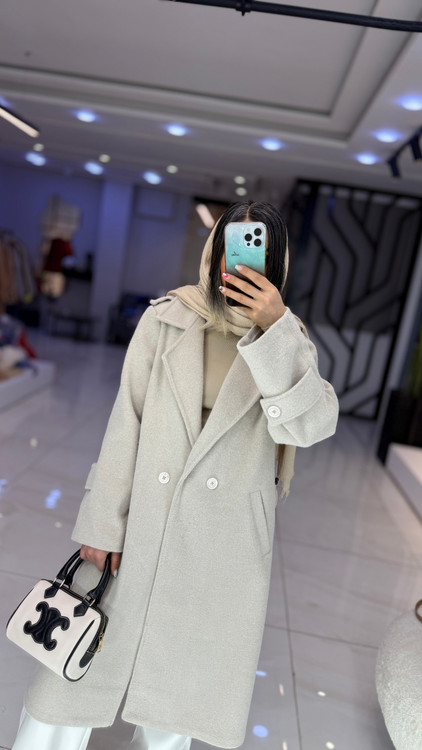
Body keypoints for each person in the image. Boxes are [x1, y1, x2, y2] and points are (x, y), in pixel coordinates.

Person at [11, 201, 339, 750]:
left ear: (276, 261)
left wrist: (274, 328)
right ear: (214, 252)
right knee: (73, 676)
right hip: (143, 523)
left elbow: (311, 427)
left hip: (222, 544)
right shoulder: (167, 317)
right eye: (232, 246)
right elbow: (127, 421)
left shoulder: (289, 340)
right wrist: (102, 523)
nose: (240, 262)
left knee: (177, 700)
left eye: (256, 249)